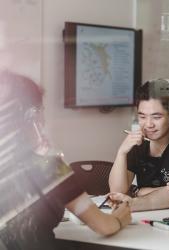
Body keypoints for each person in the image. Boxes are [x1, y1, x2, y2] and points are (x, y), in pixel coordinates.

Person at [0, 70, 131, 250]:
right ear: (32, 116)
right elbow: (104, 226)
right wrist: (120, 217)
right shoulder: (50, 167)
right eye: (41, 110)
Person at [109, 79, 169, 197]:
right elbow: (117, 192)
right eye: (142, 117)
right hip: (147, 213)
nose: (148, 124)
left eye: (156, 117)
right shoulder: (138, 142)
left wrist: (138, 191)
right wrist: (122, 152)